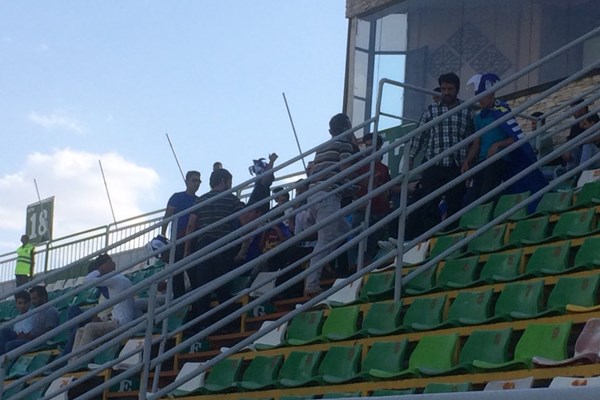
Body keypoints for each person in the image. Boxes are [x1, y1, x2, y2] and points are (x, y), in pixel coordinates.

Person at [464, 73, 547, 209]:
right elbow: (476, 142)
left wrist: (498, 145)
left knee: (486, 193)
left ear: (491, 95)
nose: (479, 100)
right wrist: (467, 161)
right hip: (482, 161)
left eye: (482, 96)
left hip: (499, 159)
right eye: (478, 96)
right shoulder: (478, 118)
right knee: (470, 196)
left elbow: (514, 138)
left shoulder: (503, 111)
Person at [408, 73, 475, 235]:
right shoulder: (431, 111)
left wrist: (468, 161)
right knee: (429, 204)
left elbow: (473, 138)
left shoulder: (466, 110)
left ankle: (451, 238)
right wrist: (410, 158)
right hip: (433, 164)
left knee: (455, 204)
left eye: (450, 89)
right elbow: (419, 136)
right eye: (443, 89)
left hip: (456, 165)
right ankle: (430, 239)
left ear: (457, 90)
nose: (446, 92)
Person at [183, 168, 248, 330]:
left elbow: (191, 226)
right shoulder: (231, 199)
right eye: (230, 182)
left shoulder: (201, 200)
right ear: (224, 181)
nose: (231, 186)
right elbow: (245, 222)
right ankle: (225, 326)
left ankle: (203, 327)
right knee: (224, 288)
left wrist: (187, 251)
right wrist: (243, 248)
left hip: (203, 247)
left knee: (203, 289)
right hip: (223, 246)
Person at [305, 113, 359, 296]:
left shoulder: (323, 147)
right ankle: (312, 283)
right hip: (328, 196)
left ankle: (324, 263)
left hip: (315, 194)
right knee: (326, 239)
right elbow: (345, 170)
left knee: (344, 230)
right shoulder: (344, 144)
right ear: (346, 126)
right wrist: (355, 186)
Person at [68, 254, 141, 363]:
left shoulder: (116, 279)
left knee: (89, 328)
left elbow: (87, 280)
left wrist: (100, 270)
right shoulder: (119, 280)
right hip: (118, 321)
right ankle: (72, 362)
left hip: (120, 324)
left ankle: (78, 361)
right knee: (80, 331)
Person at [349, 133, 391, 269]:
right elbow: (351, 186)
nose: (368, 148)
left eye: (371, 145)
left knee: (375, 240)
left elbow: (387, 188)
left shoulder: (383, 168)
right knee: (356, 238)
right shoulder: (359, 166)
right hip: (362, 207)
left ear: (378, 147)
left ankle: (370, 265)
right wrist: (356, 202)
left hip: (378, 209)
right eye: (366, 145)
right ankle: (354, 266)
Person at [160, 170, 201, 298]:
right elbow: (167, 217)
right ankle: (179, 298)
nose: (197, 183)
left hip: (193, 238)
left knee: (193, 270)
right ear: (187, 181)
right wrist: (163, 236)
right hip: (177, 239)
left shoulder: (199, 200)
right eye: (194, 180)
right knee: (177, 272)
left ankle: (195, 299)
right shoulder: (177, 197)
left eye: (199, 181)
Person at [0, 286, 59, 354]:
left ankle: (4, 358)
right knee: (4, 331)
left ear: (44, 298)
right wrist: (25, 335)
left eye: (34, 298)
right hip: (30, 337)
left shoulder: (50, 311)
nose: (32, 301)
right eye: (32, 299)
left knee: (10, 345)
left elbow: (49, 332)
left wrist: (29, 336)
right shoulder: (36, 311)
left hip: (37, 341)